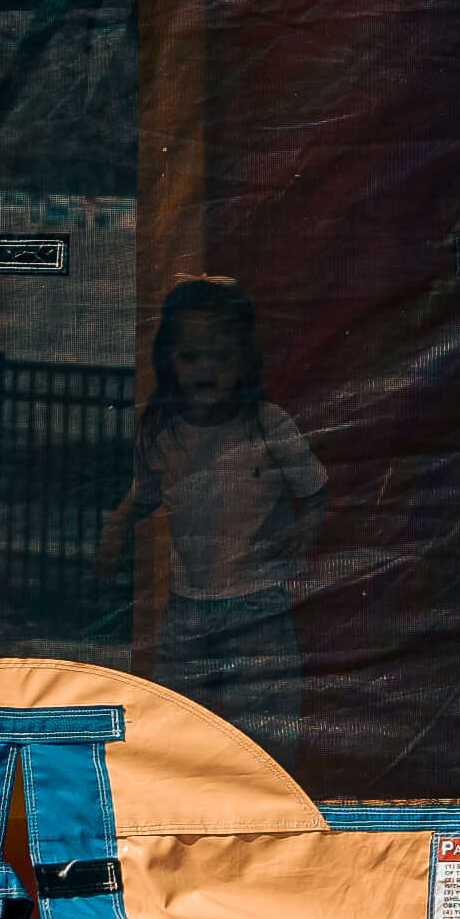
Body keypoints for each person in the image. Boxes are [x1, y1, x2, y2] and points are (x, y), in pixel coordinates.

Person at [113, 276, 322, 752]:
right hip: (187, 607)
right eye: (191, 357)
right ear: (169, 360)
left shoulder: (267, 423)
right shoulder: (162, 429)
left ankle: (269, 808)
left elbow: (313, 490)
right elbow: (143, 494)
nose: (205, 369)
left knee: (264, 727)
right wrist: (116, 530)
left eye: (221, 356)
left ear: (245, 359)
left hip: (257, 606)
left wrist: (305, 529)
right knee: (178, 724)